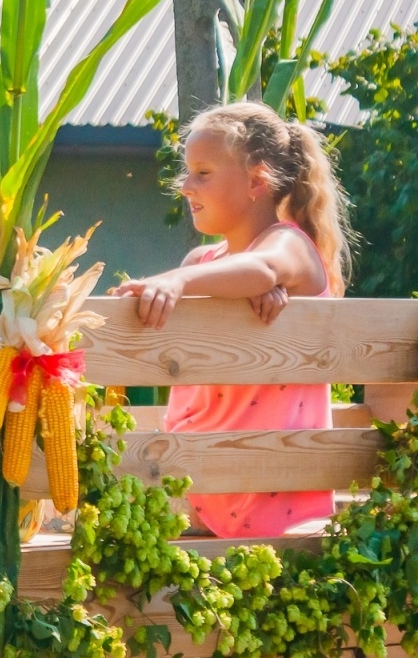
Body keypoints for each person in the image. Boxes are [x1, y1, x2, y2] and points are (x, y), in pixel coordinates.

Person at [113, 102, 352, 538]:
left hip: (267, 490)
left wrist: (178, 281)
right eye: (187, 172)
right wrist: (222, 284)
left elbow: (262, 268)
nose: (186, 186)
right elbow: (250, 275)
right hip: (189, 480)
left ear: (257, 181)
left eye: (203, 173)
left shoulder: (288, 246)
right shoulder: (203, 262)